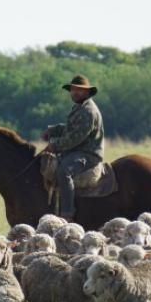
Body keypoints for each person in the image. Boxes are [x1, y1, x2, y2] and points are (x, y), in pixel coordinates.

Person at [41, 74, 104, 221]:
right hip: (77, 151)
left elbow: (76, 137)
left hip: (88, 154)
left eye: (80, 90)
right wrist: (53, 130)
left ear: (87, 92)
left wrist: (54, 146)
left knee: (64, 171)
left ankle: (68, 213)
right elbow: (71, 129)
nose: (75, 92)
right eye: (73, 89)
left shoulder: (88, 111)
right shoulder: (79, 107)